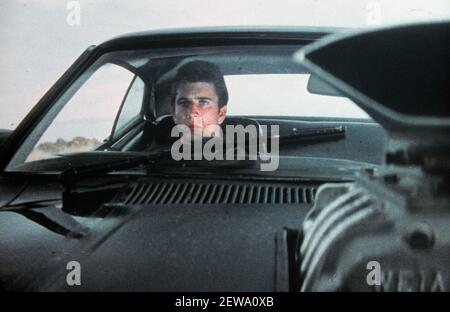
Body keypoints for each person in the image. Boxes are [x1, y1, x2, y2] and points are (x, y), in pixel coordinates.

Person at [171, 60, 228, 141]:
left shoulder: (242, 152)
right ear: (174, 114)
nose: (192, 113)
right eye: (184, 103)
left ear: (221, 114)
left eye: (203, 102)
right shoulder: (153, 151)